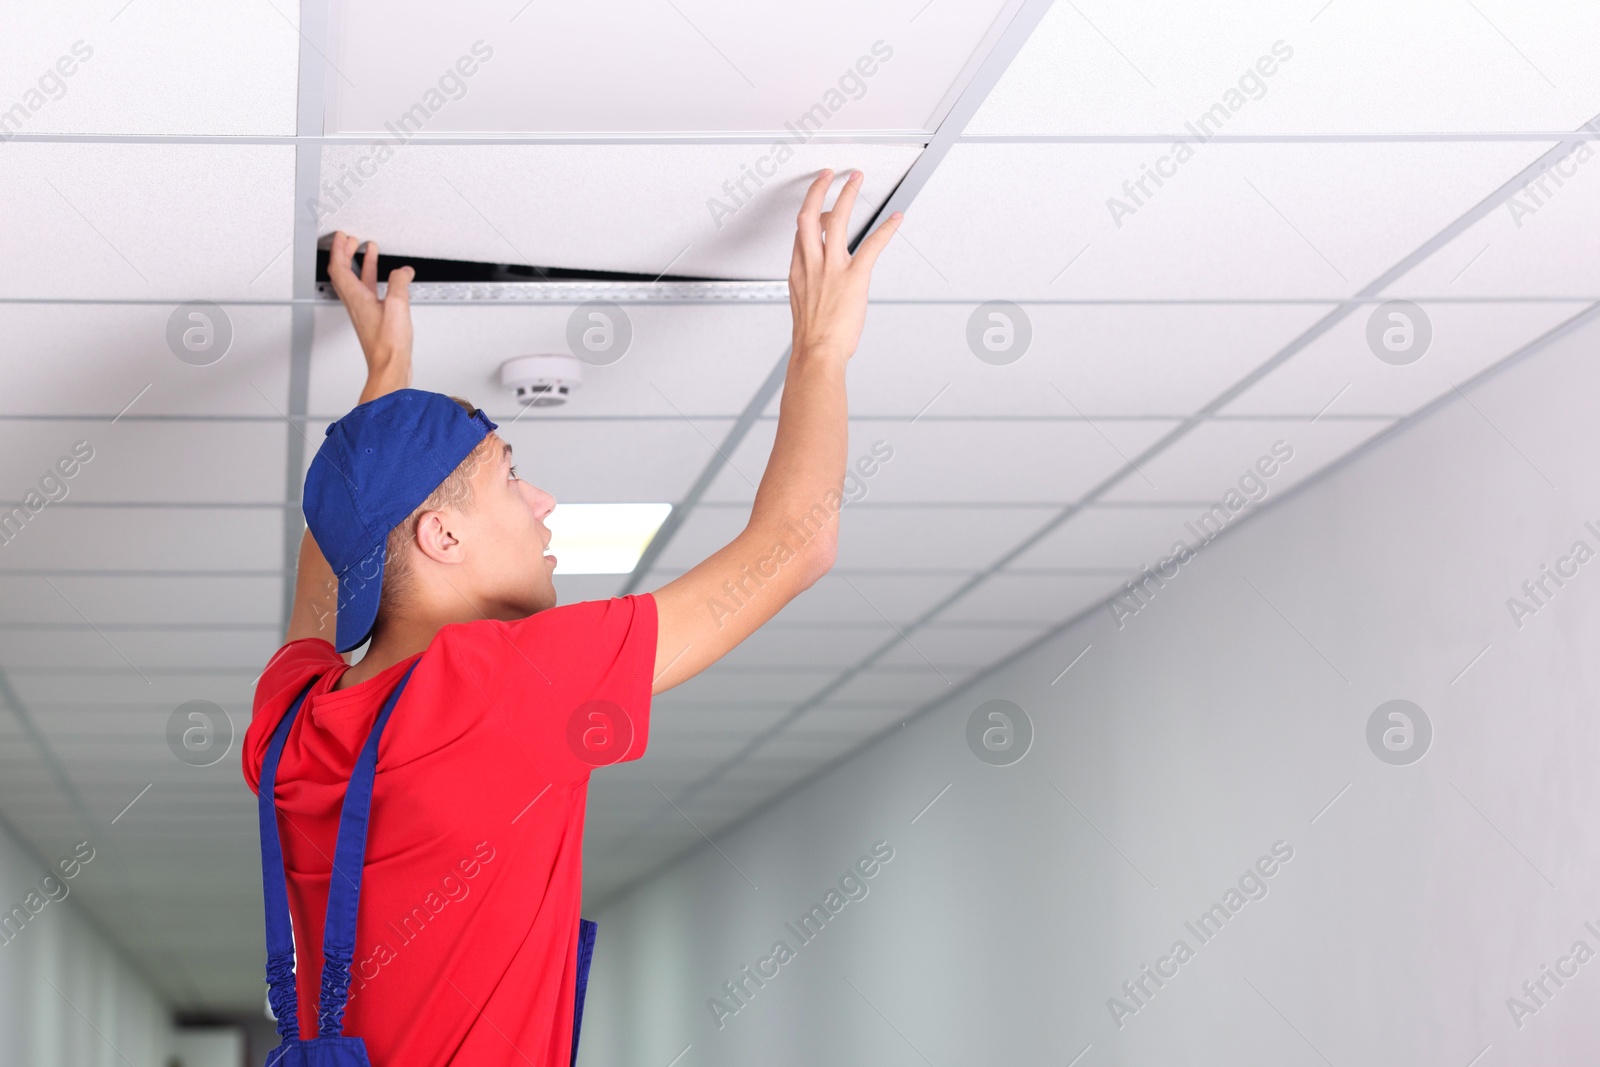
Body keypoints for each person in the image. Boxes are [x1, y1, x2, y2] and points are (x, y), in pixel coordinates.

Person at [241, 169, 902, 1066]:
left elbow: (335, 564)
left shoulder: (292, 724)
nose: (542, 500)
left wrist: (386, 391)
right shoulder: (504, 684)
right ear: (438, 534)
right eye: (512, 475)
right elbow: (797, 544)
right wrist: (823, 343)